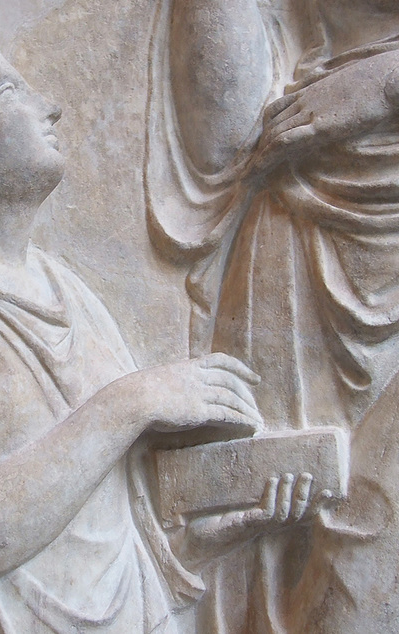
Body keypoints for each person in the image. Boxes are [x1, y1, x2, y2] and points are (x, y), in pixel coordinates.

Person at [0, 36, 320, 633]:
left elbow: (119, 539)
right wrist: (133, 402)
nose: (51, 107)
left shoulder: (75, 297)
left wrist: (245, 522)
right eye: (10, 91)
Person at [146, 0, 399, 631]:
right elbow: (226, 133)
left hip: (325, 169)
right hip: (296, 224)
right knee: (284, 535)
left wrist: (385, 82)